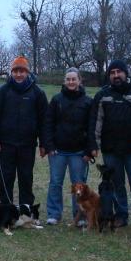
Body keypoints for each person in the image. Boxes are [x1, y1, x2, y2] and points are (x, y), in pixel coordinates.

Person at [88, 60, 131, 227]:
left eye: (119, 72)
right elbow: (96, 121)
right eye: (112, 73)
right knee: (116, 184)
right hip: (110, 150)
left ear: (126, 73)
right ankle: (121, 216)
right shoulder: (102, 95)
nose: (116, 75)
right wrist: (94, 145)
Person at [0, 55, 48, 206]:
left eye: (22, 71)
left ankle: (26, 209)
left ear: (27, 72)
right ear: (11, 73)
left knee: (26, 177)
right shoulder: (2, 91)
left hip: (27, 144)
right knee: (6, 177)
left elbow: (44, 120)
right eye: (16, 71)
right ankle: (5, 207)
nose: (19, 74)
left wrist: (44, 143)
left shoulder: (37, 93)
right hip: (5, 144)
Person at [43, 67, 93, 226]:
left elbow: (91, 128)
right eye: (68, 79)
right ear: (64, 81)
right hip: (58, 151)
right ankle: (53, 214)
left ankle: (80, 215)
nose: (71, 82)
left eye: (74, 79)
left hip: (79, 152)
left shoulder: (87, 102)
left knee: (79, 185)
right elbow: (48, 123)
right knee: (55, 183)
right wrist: (49, 146)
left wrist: (89, 150)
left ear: (79, 81)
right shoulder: (57, 100)